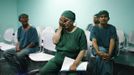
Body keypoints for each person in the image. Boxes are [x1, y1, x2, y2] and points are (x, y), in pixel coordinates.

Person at [39, 10, 87, 75]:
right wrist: (60, 27)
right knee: (43, 72)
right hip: (57, 60)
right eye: (61, 20)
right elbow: (55, 41)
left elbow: (82, 50)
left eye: (66, 20)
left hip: (71, 61)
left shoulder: (80, 32)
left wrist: (75, 64)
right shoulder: (60, 30)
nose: (63, 22)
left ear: (72, 21)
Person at [90, 10, 118, 75]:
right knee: (102, 53)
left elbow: (112, 41)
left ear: (108, 18)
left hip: (109, 50)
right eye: (101, 17)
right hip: (97, 49)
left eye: (105, 17)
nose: (103, 18)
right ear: (98, 18)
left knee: (99, 58)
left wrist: (109, 54)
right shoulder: (94, 28)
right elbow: (94, 41)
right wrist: (98, 51)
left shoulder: (112, 28)